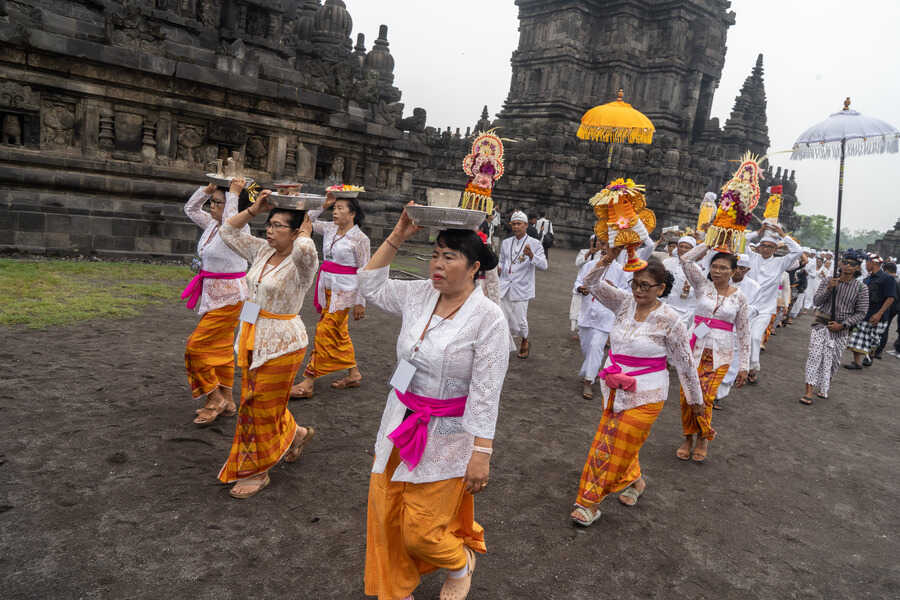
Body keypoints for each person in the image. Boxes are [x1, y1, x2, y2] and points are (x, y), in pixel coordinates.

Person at [359, 206, 509, 600]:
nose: (437, 265)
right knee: (388, 510)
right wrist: (396, 236)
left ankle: (460, 563)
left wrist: (482, 452)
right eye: (435, 255)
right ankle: (397, 587)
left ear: (474, 267)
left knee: (422, 530)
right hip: (401, 417)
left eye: (449, 257)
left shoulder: (488, 317)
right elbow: (370, 286)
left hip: (448, 432)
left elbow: (486, 390)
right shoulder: (419, 294)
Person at [570, 253, 703, 526]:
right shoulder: (623, 302)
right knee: (620, 441)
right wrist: (608, 257)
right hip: (613, 387)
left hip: (648, 393)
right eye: (635, 283)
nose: (639, 290)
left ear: (661, 289)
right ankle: (636, 481)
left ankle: (588, 502)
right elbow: (590, 282)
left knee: (609, 446)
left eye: (646, 286)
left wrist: (695, 400)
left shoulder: (671, 320)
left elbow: (686, 363)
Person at [216, 184, 318, 498]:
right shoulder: (262, 250)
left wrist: (304, 229)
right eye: (269, 225)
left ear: (296, 230)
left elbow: (305, 250)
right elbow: (227, 233)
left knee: (256, 406)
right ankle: (297, 434)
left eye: (277, 226)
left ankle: (256, 471)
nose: (270, 231)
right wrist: (254, 210)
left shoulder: (303, 262)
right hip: (251, 333)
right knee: (258, 401)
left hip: (283, 342)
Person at [182, 180, 250, 426]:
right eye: (213, 202)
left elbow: (232, 220)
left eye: (218, 203)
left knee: (195, 347)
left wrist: (233, 194)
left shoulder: (239, 230)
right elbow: (190, 210)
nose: (213, 206)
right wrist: (206, 191)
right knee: (220, 348)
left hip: (231, 297)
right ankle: (229, 399)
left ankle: (213, 397)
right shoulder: (212, 224)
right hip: (212, 294)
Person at [290, 192, 370, 399]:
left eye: (340, 208)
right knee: (338, 331)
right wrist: (322, 205)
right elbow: (305, 222)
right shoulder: (329, 229)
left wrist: (361, 302)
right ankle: (354, 373)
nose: (335, 212)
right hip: (326, 286)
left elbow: (364, 270)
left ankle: (308, 380)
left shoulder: (361, 239)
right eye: (334, 208)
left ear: (352, 213)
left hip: (346, 290)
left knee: (324, 330)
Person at [675, 245, 750, 461]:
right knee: (687, 396)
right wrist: (708, 243)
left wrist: (744, 365)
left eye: (723, 268)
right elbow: (686, 261)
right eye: (714, 266)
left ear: (734, 271)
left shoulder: (740, 297)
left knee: (706, 397)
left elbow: (744, 333)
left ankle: (703, 438)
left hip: (721, 354)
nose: (717, 271)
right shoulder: (702, 286)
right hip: (694, 348)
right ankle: (688, 437)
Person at [801, 250, 868, 404]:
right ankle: (809, 391)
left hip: (841, 329)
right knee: (814, 356)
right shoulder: (828, 281)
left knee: (834, 361)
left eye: (853, 265)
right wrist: (829, 289)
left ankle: (824, 385)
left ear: (858, 268)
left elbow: (861, 312)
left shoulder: (861, 288)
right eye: (845, 263)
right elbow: (817, 301)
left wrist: (843, 325)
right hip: (821, 324)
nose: (848, 267)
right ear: (840, 264)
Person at [743, 223, 802, 383]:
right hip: (747, 307)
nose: (766, 249)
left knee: (755, 338)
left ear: (775, 249)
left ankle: (753, 367)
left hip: (765, 309)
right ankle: (741, 368)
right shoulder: (751, 258)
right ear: (759, 247)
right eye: (763, 245)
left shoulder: (780, 262)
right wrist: (758, 232)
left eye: (770, 247)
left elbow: (798, 251)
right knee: (743, 338)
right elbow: (741, 240)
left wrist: (782, 234)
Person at [573, 241, 627, 399]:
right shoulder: (589, 265)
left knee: (596, 346)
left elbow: (626, 293)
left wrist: (613, 288)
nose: (606, 249)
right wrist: (580, 288)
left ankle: (588, 381)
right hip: (586, 312)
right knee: (587, 347)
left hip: (606, 315)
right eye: (603, 245)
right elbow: (578, 282)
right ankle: (592, 369)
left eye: (610, 247)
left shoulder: (621, 270)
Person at [498, 210, 548, 359]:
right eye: (513, 224)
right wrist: (500, 267)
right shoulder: (506, 242)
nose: (516, 227)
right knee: (501, 317)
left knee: (520, 321)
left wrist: (531, 255)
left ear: (526, 225)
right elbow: (502, 260)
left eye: (519, 224)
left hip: (521, 287)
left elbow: (544, 265)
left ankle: (525, 339)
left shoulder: (535, 243)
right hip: (505, 285)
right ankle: (502, 347)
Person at [715, 253, 760, 405]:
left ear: (747, 270)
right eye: (736, 267)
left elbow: (754, 309)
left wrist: (735, 310)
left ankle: (718, 396)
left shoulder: (754, 287)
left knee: (730, 364)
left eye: (742, 268)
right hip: (712, 326)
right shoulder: (718, 282)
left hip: (735, 331)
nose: (739, 271)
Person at [846, 253, 896, 368]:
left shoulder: (887, 279)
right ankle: (857, 363)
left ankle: (870, 355)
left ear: (873, 263)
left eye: (867, 262)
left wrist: (879, 313)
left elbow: (890, 298)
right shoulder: (867, 279)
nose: (865, 264)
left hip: (878, 316)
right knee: (857, 338)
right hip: (864, 313)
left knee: (874, 340)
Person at [662, 236, 702, 329]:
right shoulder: (667, 262)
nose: (683, 249)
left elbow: (696, 294)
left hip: (683, 312)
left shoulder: (696, 269)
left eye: (687, 247)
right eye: (681, 246)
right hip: (663, 306)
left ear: (693, 250)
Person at [571, 235, 602, 338]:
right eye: (592, 241)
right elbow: (578, 263)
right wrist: (589, 253)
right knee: (577, 307)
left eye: (596, 241)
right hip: (581, 282)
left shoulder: (603, 254)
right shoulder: (584, 251)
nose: (594, 243)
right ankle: (577, 330)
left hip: (594, 285)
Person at [874, 261, 898, 359]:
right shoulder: (897, 280)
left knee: (882, 329)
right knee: (885, 329)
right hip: (895, 308)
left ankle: (877, 350)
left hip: (887, 307)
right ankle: (878, 350)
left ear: (885, 270)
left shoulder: (888, 280)